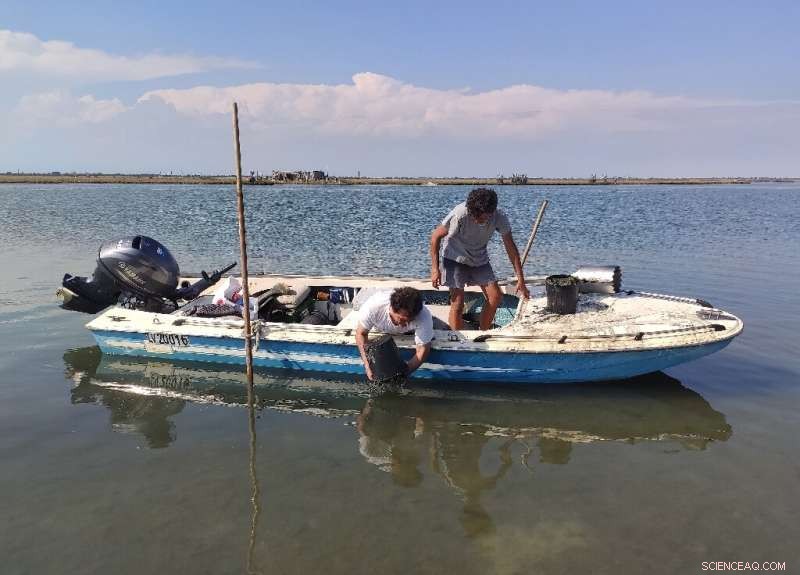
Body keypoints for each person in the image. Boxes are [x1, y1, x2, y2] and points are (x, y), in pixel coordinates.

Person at [430, 187, 530, 330]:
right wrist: (435, 269)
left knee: (495, 297)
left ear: (492, 212)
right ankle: (458, 340)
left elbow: (511, 248)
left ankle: (481, 333)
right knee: (457, 303)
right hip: (454, 257)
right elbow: (435, 237)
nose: (476, 219)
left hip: (479, 258)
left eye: (481, 216)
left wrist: (520, 279)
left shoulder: (499, 217)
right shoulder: (459, 214)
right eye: (474, 215)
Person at [355, 287, 433, 380]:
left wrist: (405, 372)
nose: (406, 324)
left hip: (412, 330)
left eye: (410, 320)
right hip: (379, 326)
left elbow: (423, 349)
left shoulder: (423, 315)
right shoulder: (373, 307)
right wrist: (368, 365)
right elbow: (361, 334)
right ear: (392, 309)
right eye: (402, 319)